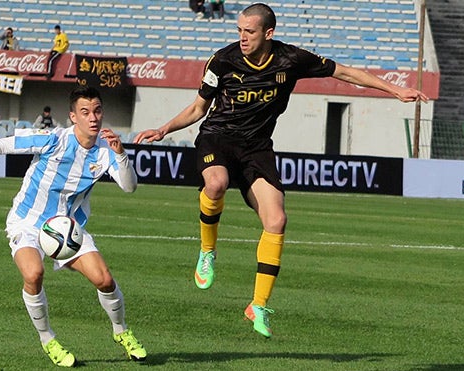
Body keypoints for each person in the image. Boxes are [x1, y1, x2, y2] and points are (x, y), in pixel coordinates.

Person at [134, 3, 428, 339]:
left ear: (268, 33)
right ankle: (207, 252)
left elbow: (344, 72)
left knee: (277, 221)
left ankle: (257, 305)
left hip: (257, 148)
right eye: (239, 31)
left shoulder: (291, 59)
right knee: (216, 183)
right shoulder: (222, 61)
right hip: (218, 138)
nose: (242, 37)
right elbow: (199, 108)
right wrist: (164, 129)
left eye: (249, 31)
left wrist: (395, 90)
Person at [0, 85, 147, 367]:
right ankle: (48, 339)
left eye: (97, 111)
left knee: (104, 280)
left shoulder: (105, 152)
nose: (93, 117)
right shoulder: (53, 140)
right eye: (85, 112)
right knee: (34, 274)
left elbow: (129, 187)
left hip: (67, 230)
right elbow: (2, 144)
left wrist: (120, 154)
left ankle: (121, 332)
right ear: (73, 116)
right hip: (28, 222)